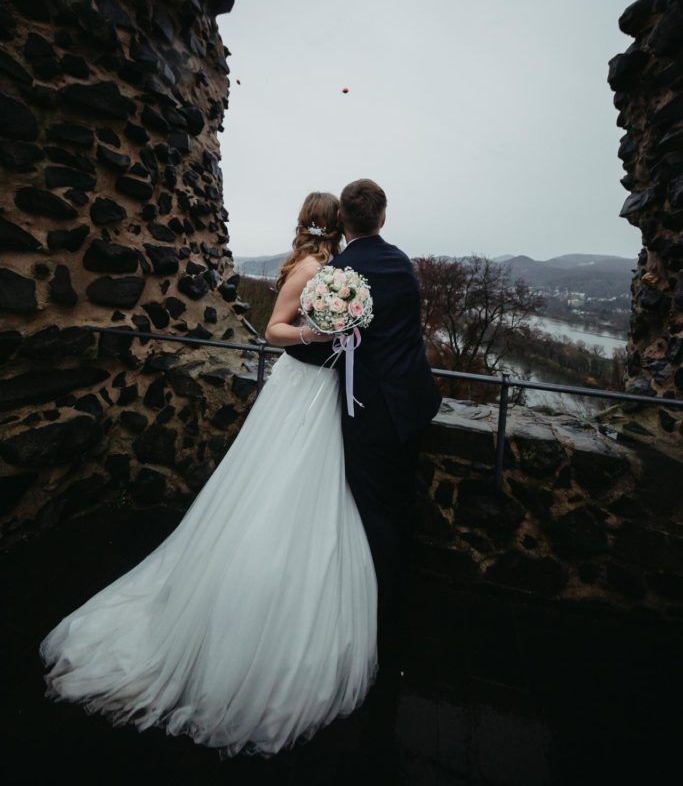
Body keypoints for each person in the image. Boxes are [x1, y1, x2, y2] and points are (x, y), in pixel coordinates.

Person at [38, 191, 379, 760]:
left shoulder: (333, 271)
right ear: (332, 223)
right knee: (275, 490)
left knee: (312, 489)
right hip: (300, 392)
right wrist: (319, 335)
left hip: (319, 391)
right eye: (338, 221)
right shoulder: (310, 269)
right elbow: (273, 330)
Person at [287, 179, 442, 669]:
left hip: (371, 412)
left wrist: (298, 347)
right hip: (413, 405)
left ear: (342, 222)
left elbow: (326, 344)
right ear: (383, 217)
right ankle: (397, 602)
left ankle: (373, 614)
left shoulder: (338, 274)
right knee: (401, 504)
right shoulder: (402, 263)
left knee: (372, 514)